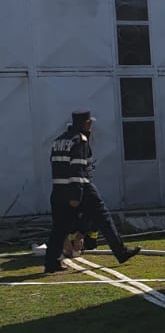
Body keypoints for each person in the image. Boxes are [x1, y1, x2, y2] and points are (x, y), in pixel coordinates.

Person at [44, 111, 140, 273]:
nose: (91, 126)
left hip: (59, 189)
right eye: (90, 123)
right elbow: (77, 168)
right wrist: (76, 195)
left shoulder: (58, 141)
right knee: (104, 218)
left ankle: (51, 263)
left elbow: (56, 166)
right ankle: (121, 252)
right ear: (86, 123)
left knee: (60, 227)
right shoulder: (80, 140)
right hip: (80, 186)